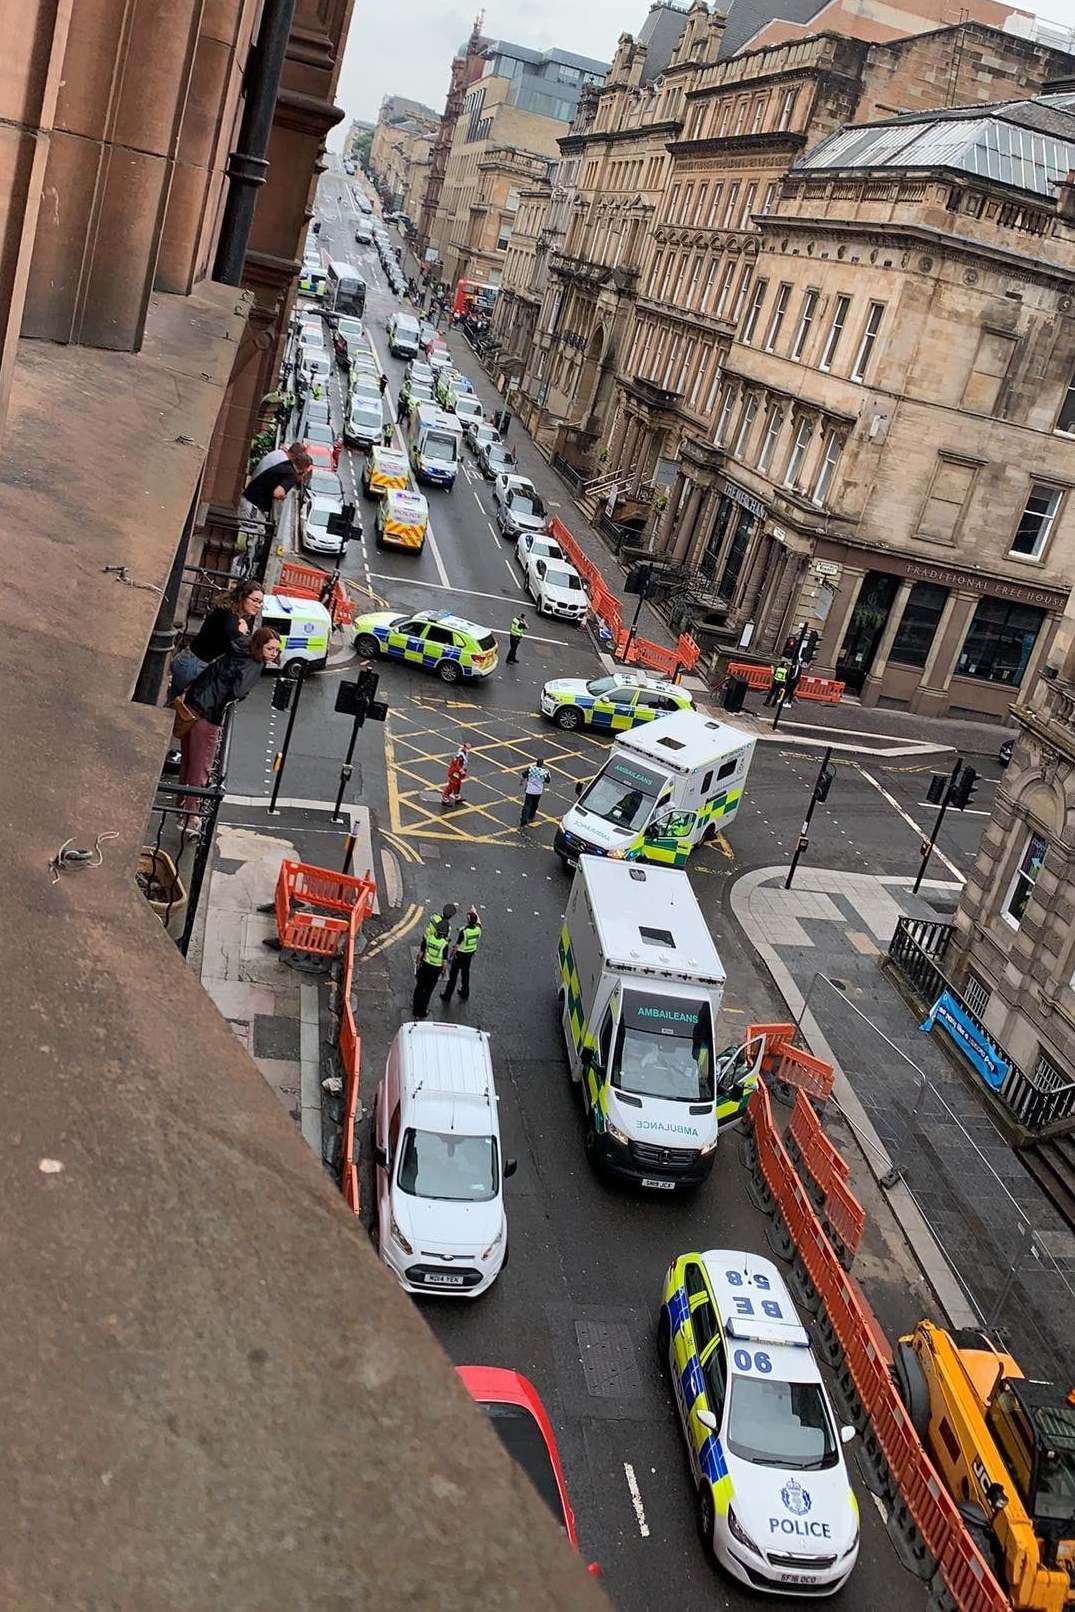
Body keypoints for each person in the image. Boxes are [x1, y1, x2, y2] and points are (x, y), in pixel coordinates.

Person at [176, 627, 280, 828]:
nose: (273, 654)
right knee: (201, 766)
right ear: (259, 646)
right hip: (209, 713)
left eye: (276, 650)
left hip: (193, 703)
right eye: (270, 649)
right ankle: (190, 817)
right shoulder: (254, 664)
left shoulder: (240, 646)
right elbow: (238, 690)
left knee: (188, 761)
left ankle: (181, 808)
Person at [169, 579, 264, 698]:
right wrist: (243, 633)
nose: (258, 605)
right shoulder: (229, 618)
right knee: (184, 711)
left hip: (191, 662)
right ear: (241, 597)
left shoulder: (229, 614)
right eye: (255, 600)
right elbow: (239, 648)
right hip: (194, 667)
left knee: (177, 708)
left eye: (260, 602)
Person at [412, 902, 457, 1018]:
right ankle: (422, 1011)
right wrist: (443, 971)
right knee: (428, 991)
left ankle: (415, 1008)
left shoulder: (430, 931)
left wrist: (417, 963)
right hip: (435, 969)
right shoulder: (444, 944)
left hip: (425, 965)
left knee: (419, 987)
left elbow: (420, 954)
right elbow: (445, 961)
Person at [243, 442, 311, 515]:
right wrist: (284, 497)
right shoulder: (291, 475)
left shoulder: (286, 463)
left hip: (249, 497)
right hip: (254, 506)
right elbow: (277, 493)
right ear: (302, 470)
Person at [441, 907, 482, 1004]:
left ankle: (447, 995)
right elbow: (479, 923)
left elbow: (456, 946)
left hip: (460, 955)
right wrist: (475, 912)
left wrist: (451, 955)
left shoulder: (464, 932)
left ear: (468, 921)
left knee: (453, 976)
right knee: (465, 974)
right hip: (469, 955)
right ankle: (465, 992)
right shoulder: (478, 930)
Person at [519, 759, 550, 827]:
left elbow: (524, 775)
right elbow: (548, 780)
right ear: (542, 764)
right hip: (538, 792)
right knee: (535, 804)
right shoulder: (545, 771)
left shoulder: (531, 769)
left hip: (529, 790)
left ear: (536, 763)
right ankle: (531, 816)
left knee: (527, 805)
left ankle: (524, 819)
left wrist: (521, 782)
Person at [441, 742, 469, 808]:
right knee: (452, 784)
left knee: (458, 784)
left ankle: (457, 797)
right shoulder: (460, 755)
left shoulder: (463, 752)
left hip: (458, 771)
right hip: (455, 771)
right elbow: (457, 765)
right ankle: (445, 798)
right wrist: (462, 771)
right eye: (467, 748)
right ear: (464, 747)